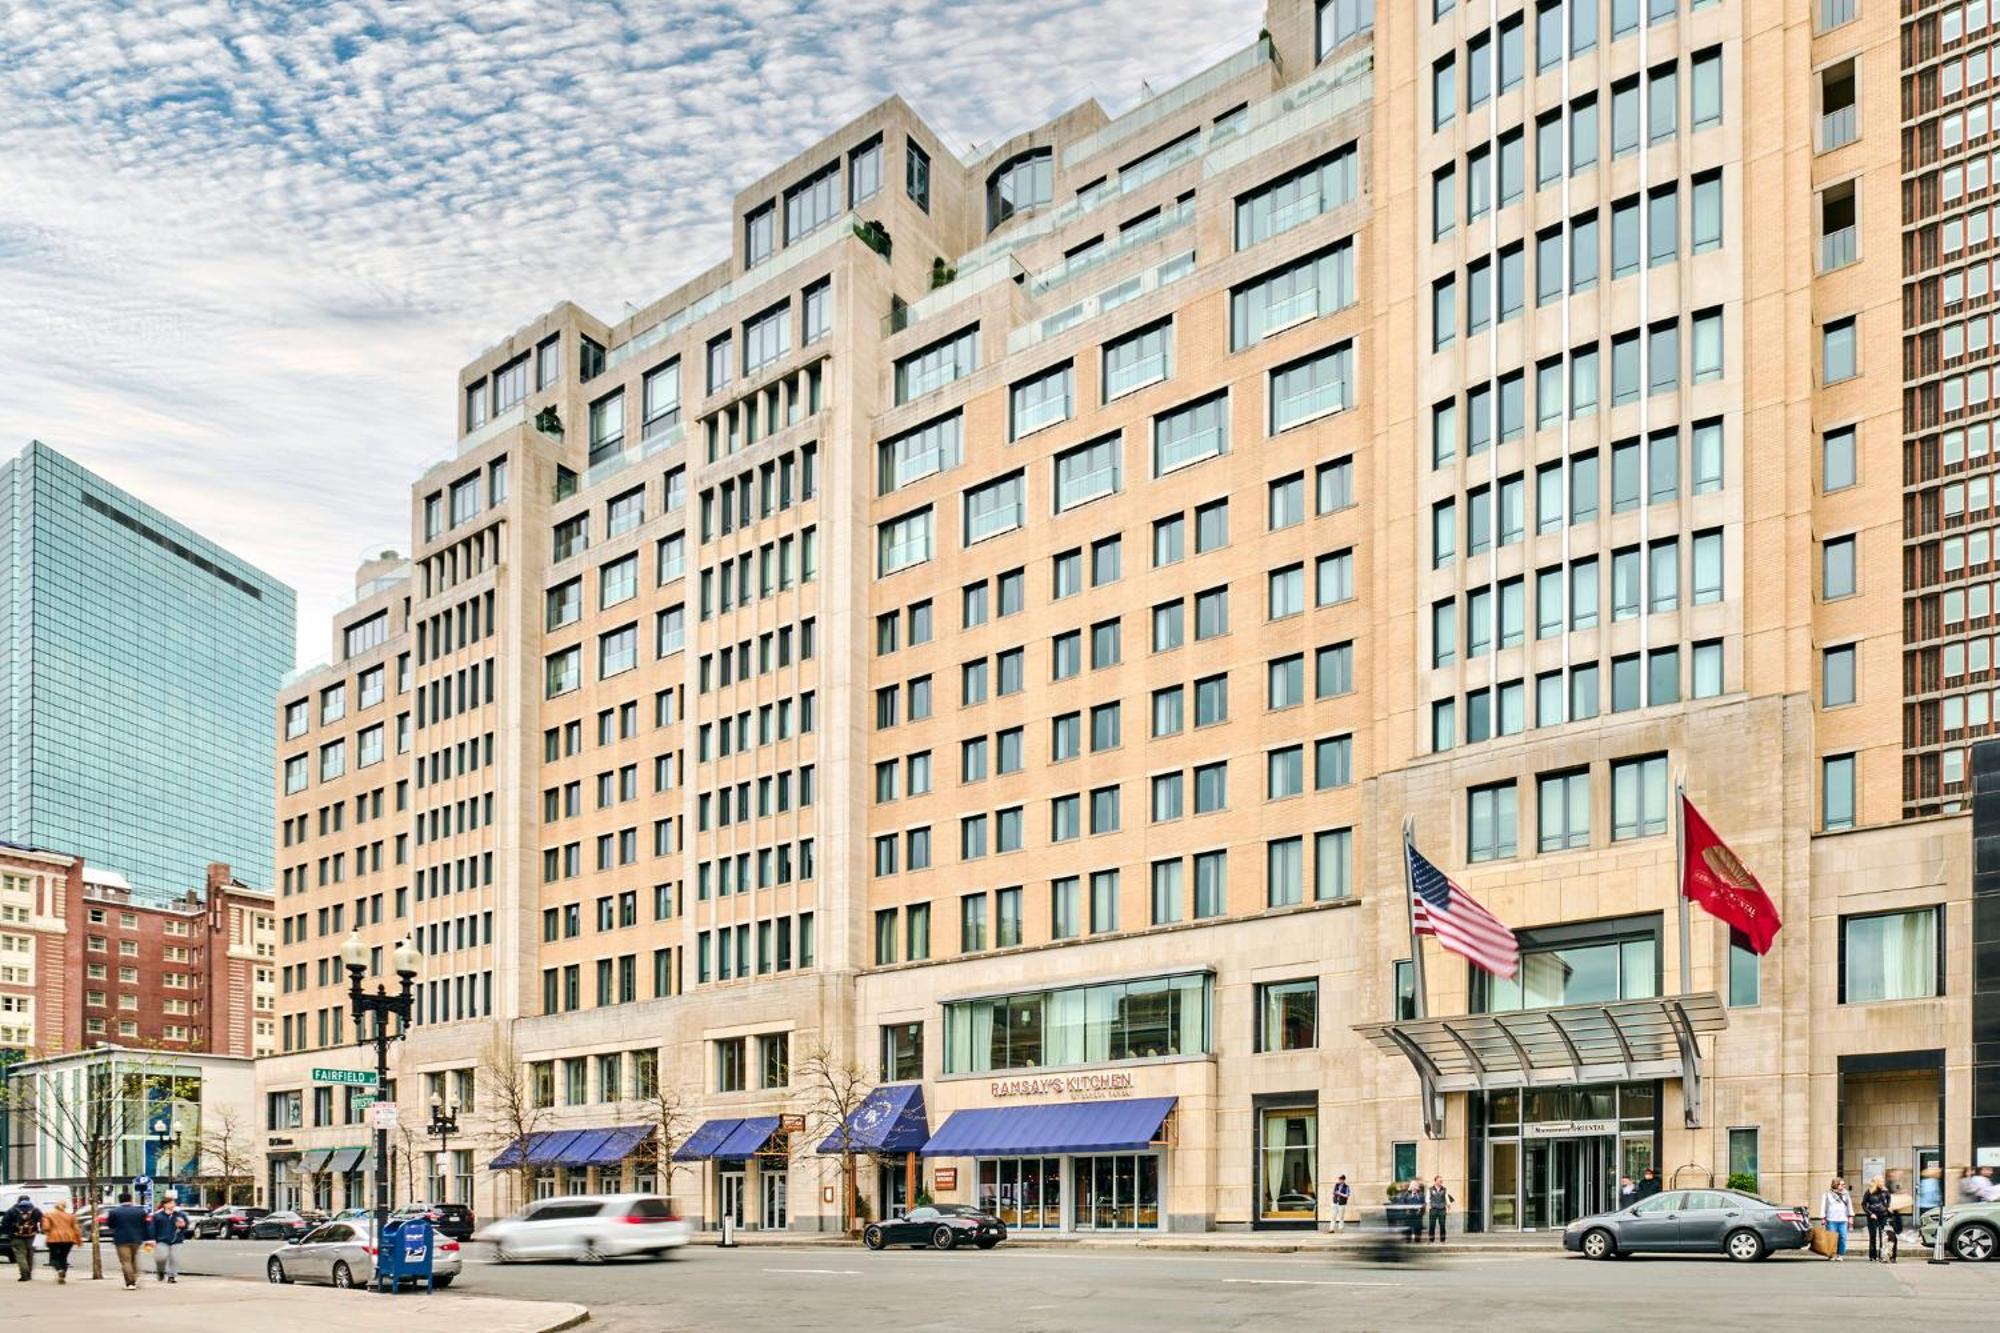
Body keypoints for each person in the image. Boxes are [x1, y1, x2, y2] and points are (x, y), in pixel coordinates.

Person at [104, 1191, 150, 1290]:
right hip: (136, 1239)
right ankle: (135, 1277)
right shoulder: (140, 1211)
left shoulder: (114, 1212)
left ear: (119, 1200)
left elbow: (110, 1225)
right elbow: (145, 1225)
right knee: (134, 1259)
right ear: (130, 1199)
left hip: (121, 1239)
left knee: (125, 1261)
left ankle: (130, 1282)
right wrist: (146, 1238)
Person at [148, 1195, 188, 1283]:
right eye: (170, 1203)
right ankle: (160, 1272)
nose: (173, 1204)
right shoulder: (157, 1215)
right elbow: (152, 1228)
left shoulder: (180, 1215)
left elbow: (186, 1225)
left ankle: (171, 1276)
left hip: (176, 1240)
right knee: (161, 1258)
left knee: (175, 1259)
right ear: (165, 1205)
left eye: (173, 1202)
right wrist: (152, 1239)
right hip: (162, 1240)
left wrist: (183, 1226)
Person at [5, 1194, 43, 1281]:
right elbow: (42, 1221)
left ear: (18, 1201)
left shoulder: (12, 1210)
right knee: (30, 1255)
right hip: (31, 1236)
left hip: (16, 1237)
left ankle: (24, 1274)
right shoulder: (36, 1210)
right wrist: (40, 1231)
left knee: (20, 1255)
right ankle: (29, 1274)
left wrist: (9, 1232)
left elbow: (5, 1223)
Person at [41, 1202, 80, 1284]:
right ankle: (63, 1274)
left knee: (54, 1257)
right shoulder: (71, 1216)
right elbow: (76, 1229)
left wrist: (46, 1232)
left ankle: (59, 1270)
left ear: (55, 1207)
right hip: (69, 1238)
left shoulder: (48, 1215)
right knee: (64, 1257)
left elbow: (46, 1227)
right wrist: (78, 1240)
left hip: (53, 1238)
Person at [1861, 1177, 1894, 1262]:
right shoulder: (1869, 1191)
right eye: (1881, 1181)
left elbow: (1889, 1199)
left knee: (1882, 1236)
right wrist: (1870, 1213)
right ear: (1876, 1182)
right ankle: (1872, 1256)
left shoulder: (1885, 1191)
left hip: (1883, 1215)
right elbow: (1864, 1204)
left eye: (1883, 1181)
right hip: (1872, 1216)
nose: (1883, 1183)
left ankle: (1882, 1255)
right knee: (1873, 1236)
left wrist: (1886, 1208)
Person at [1821, 1178, 1854, 1262]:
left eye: (1844, 1184)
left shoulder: (1846, 1194)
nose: (1843, 1186)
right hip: (1831, 1219)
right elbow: (1823, 1206)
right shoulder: (1827, 1194)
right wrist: (1823, 1217)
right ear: (1836, 1185)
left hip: (1843, 1219)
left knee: (1843, 1237)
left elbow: (1849, 1205)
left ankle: (1840, 1254)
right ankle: (1832, 1254)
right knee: (1832, 1238)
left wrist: (1850, 1216)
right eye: (1841, 1184)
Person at [1426, 1176, 1453, 1243]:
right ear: (1435, 1181)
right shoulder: (1430, 1189)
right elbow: (1427, 1199)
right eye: (1439, 1181)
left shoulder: (1444, 1189)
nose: (1441, 1182)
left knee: (1442, 1225)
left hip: (1442, 1209)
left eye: (1441, 1181)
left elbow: (1447, 1200)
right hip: (1433, 1209)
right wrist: (1429, 1206)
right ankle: (1431, 1240)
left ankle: (1443, 1240)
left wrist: (1449, 1209)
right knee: (1432, 1225)